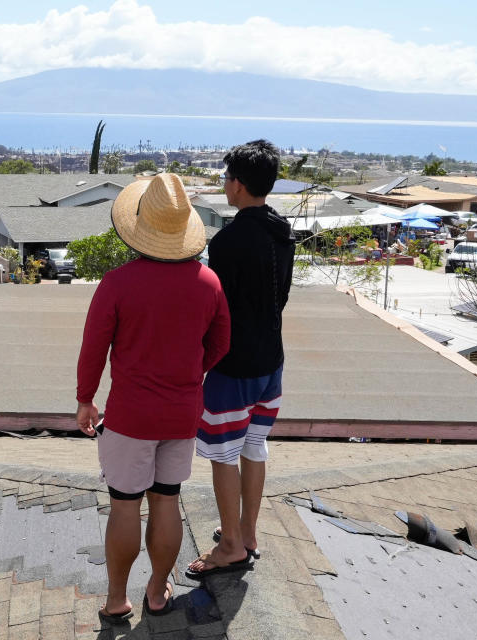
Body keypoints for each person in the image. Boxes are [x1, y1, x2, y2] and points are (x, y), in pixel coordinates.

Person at [76, 173, 230, 623]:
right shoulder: (209, 283)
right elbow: (220, 344)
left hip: (130, 416)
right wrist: (189, 374)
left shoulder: (117, 283)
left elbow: (94, 349)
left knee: (125, 505)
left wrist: (86, 399)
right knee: (167, 499)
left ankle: (116, 599)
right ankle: (159, 591)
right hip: (182, 412)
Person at [186, 140, 295, 580]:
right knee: (254, 446)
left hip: (234, 366)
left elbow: (215, 311)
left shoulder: (228, 241)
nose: (225, 184)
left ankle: (230, 545)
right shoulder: (282, 230)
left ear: (238, 184)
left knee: (222, 455)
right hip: (272, 361)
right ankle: (247, 532)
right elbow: (280, 297)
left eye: (227, 177)